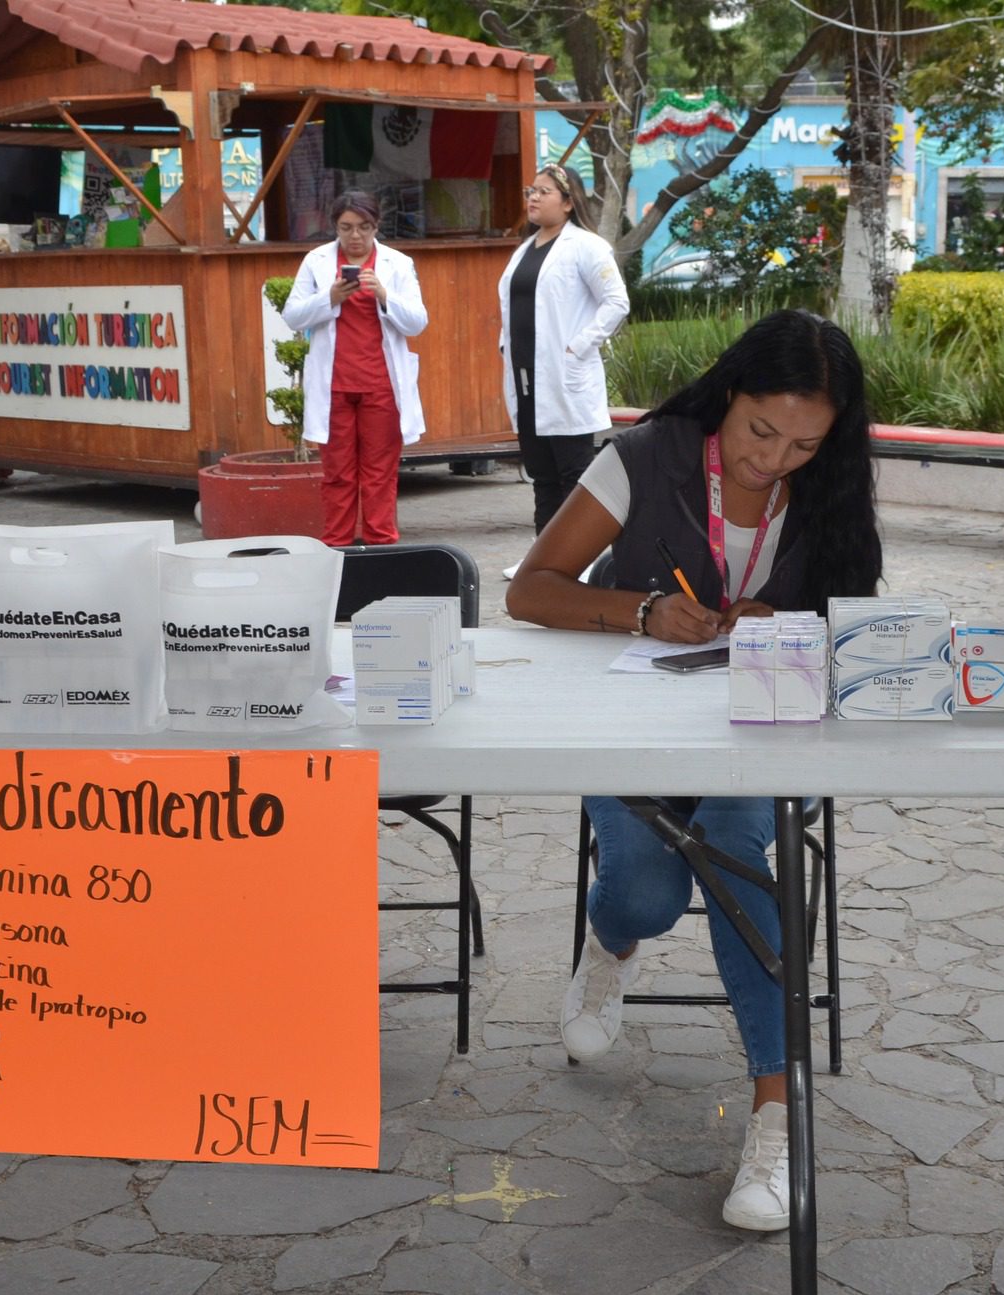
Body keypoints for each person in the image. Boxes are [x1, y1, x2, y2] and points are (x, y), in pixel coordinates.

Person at [507, 310, 882, 1231]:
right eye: (761, 432)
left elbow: (856, 630)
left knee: (731, 841)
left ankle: (775, 1117)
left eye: (805, 443)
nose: (774, 460)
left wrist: (788, 627)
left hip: (764, 735)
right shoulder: (644, 458)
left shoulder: (829, 482)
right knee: (646, 894)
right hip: (632, 724)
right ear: (728, 395)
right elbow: (529, 588)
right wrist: (638, 612)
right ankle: (612, 944)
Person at [282, 192, 429, 546]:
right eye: (346, 228)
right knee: (337, 474)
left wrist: (384, 294)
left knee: (379, 474)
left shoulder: (397, 263)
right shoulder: (316, 261)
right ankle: (337, 546)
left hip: (381, 385)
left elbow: (417, 323)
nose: (355, 237)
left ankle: (381, 544)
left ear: (376, 226)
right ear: (335, 227)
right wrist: (329, 297)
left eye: (364, 227)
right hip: (333, 387)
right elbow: (292, 315)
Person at [498, 161, 630, 534]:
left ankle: (577, 561)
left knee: (573, 476)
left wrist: (579, 347)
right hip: (527, 380)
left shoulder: (586, 246)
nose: (534, 198)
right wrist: (505, 345)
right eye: (531, 191)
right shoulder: (524, 249)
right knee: (542, 477)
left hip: (565, 378)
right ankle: (542, 562)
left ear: (569, 202)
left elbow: (616, 302)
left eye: (543, 192)